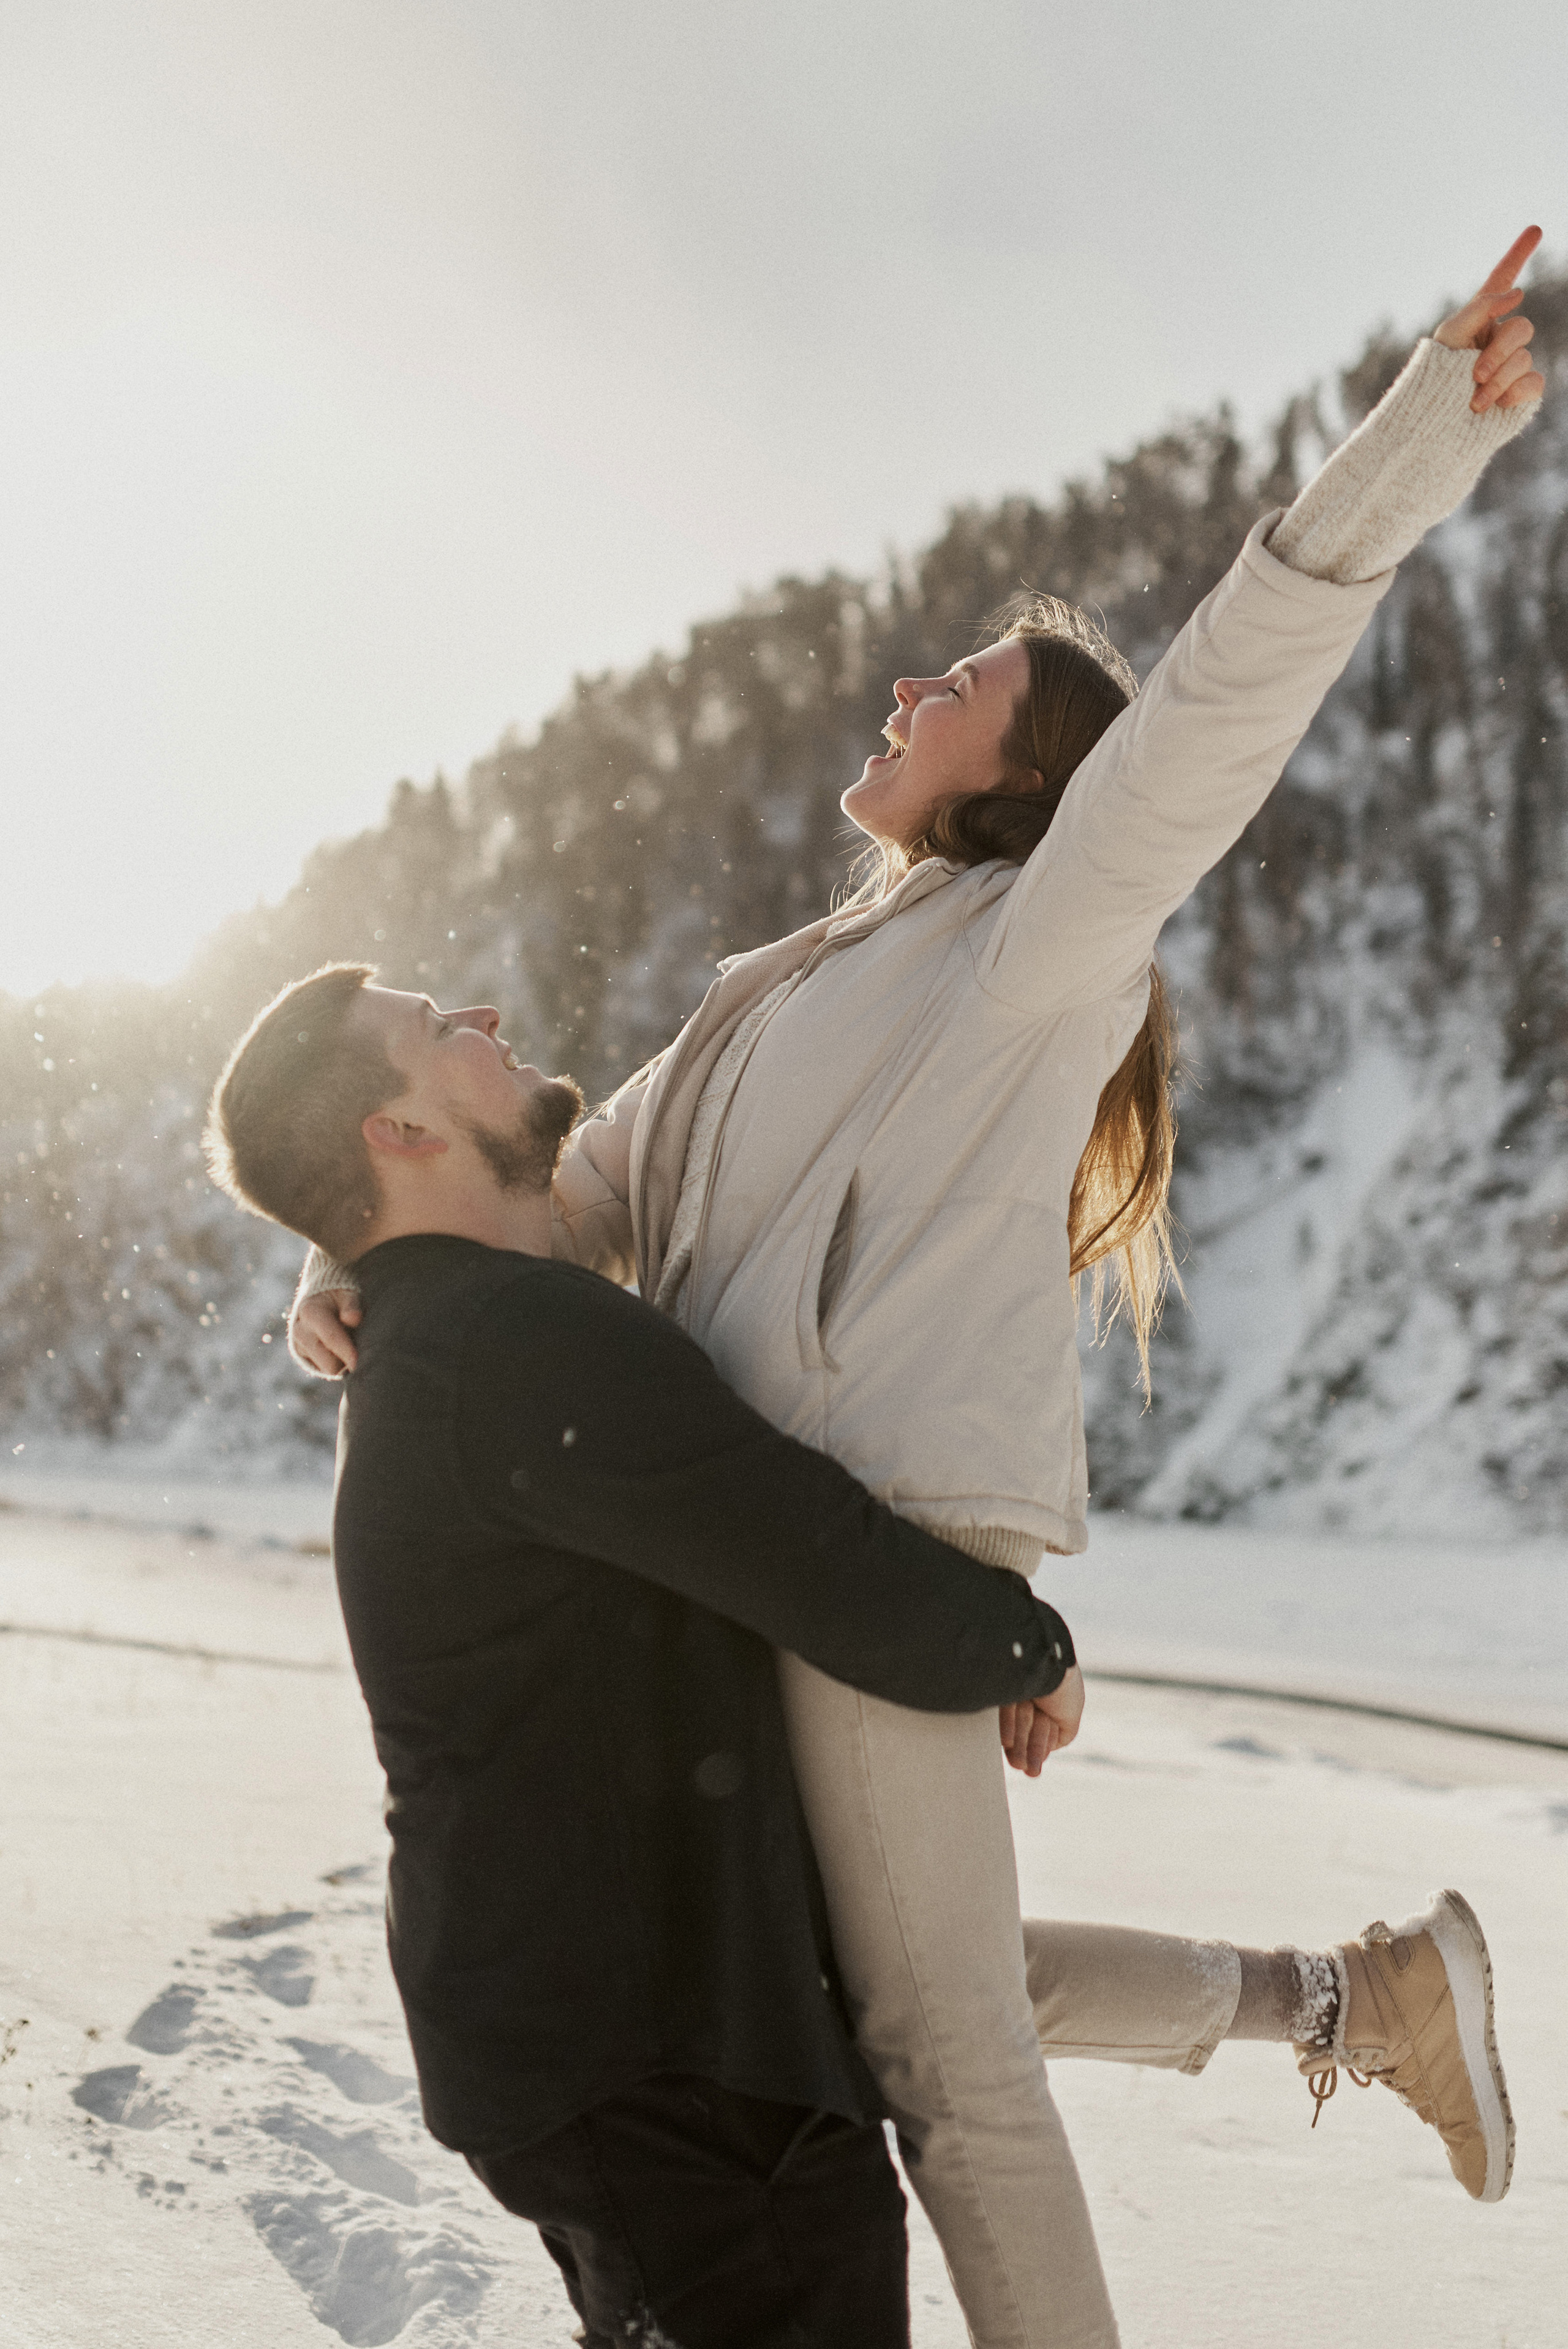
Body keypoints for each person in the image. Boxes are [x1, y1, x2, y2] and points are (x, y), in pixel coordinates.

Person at [293, 234, 1542, 2346]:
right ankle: (1364, 1997)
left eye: (954, 689)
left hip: (868, 1549)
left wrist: (1424, 430)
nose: (903, 690)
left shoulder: (1036, 947)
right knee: (881, 1992)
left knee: (951, 2067)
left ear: (1028, 781)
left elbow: (1225, 696)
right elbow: (567, 1199)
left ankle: (1364, 2001)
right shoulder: (772, 987)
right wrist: (357, 1268)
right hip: (772, 1556)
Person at [205, 959, 1085, 2349]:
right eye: (437, 1028)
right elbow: (817, 1560)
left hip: (597, 2051)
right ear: (403, 1132)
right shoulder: (510, 1337)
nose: (483, 1016)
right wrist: (1027, 1645)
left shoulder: (445, 1332)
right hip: (672, 2072)